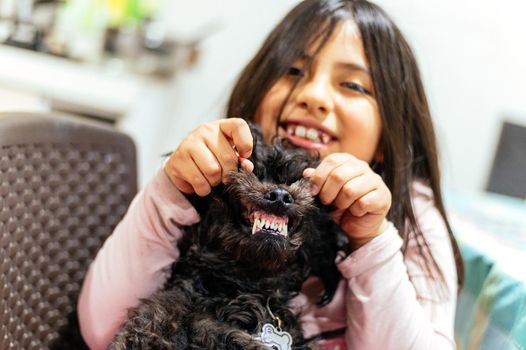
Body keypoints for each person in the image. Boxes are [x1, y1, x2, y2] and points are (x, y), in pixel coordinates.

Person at [78, 0, 464, 349]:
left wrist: (372, 241)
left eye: (352, 85)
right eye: (294, 70)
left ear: (388, 134)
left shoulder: (413, 215)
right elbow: (105, 330)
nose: (313, 95)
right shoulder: (215, 181)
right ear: (258, 92)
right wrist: (169, 191)